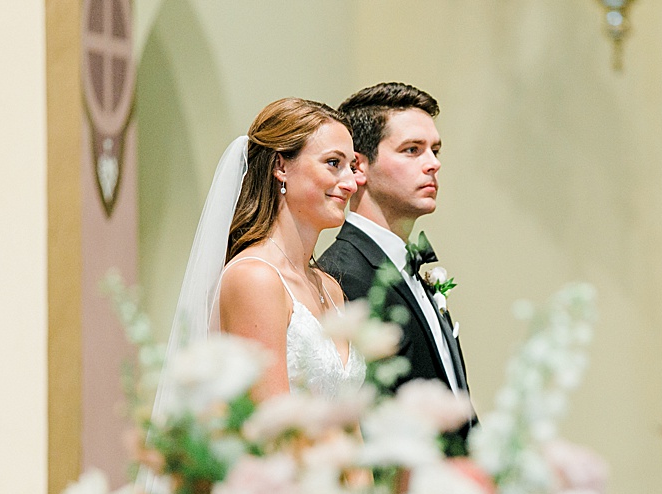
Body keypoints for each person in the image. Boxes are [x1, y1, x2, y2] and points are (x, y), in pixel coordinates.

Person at [156, 97, 365, 413]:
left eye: (352, 166)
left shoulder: (330, 288)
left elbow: (350, 425)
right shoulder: (255, 277)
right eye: (334, 163)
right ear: (281, 166)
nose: (350, 183)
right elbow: (272, 429)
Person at [317, 82, 471, 403]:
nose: (433, 163)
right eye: (412, 150)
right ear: (358, 167)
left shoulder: (411, 268)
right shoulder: (339, 277)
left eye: (435, 150)